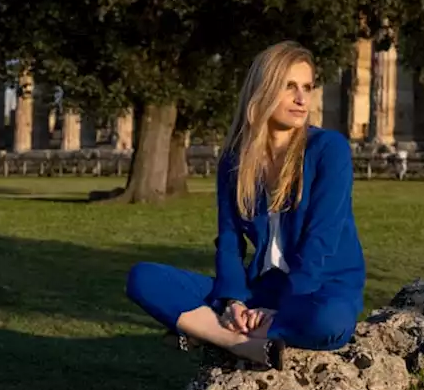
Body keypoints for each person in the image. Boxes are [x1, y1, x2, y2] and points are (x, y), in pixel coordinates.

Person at [124, 41, 366, 369]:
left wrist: (283, 308)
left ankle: (207, 331)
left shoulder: (328, 149)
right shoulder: (234, 160)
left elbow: (321, 241)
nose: (301, 99)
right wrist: (234, 301)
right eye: (290, 86)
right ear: (263, 90)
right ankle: (237, 343)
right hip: (260, 290)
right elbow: (228, 242)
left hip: (319, 287)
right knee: (143, 278)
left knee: (328, 324)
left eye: (307, 87)